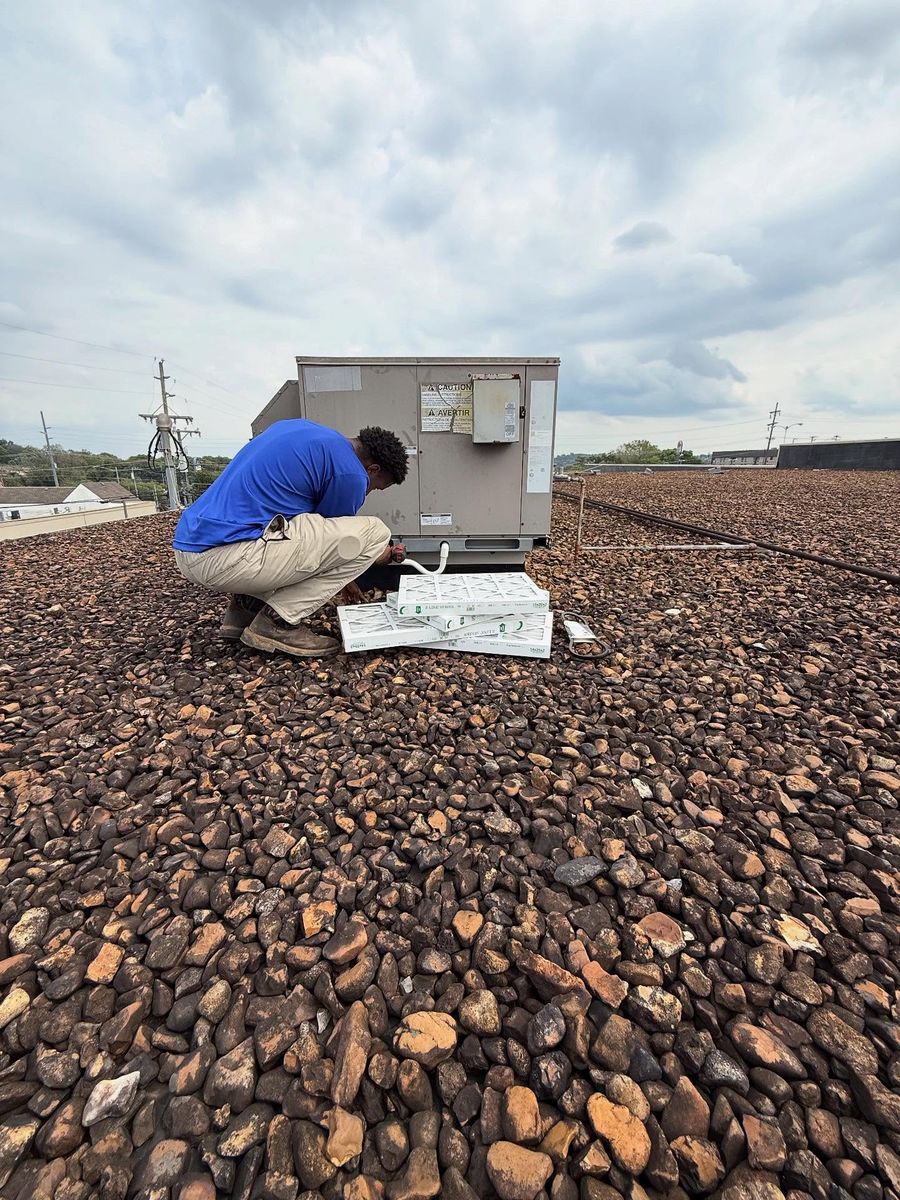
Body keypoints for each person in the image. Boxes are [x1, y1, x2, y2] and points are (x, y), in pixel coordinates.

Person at [173, 419, 407, 658]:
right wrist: (378, 555)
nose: (367, 491)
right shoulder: (350, 473)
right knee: (375, 533)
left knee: (287, 525)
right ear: (373, 469)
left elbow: (311, 540)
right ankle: (278, 623)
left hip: (192, 546)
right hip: (230, 558)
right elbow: (336, 547)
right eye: (376, 487)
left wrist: (347, 581)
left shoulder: (300, 431)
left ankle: (244, 610)